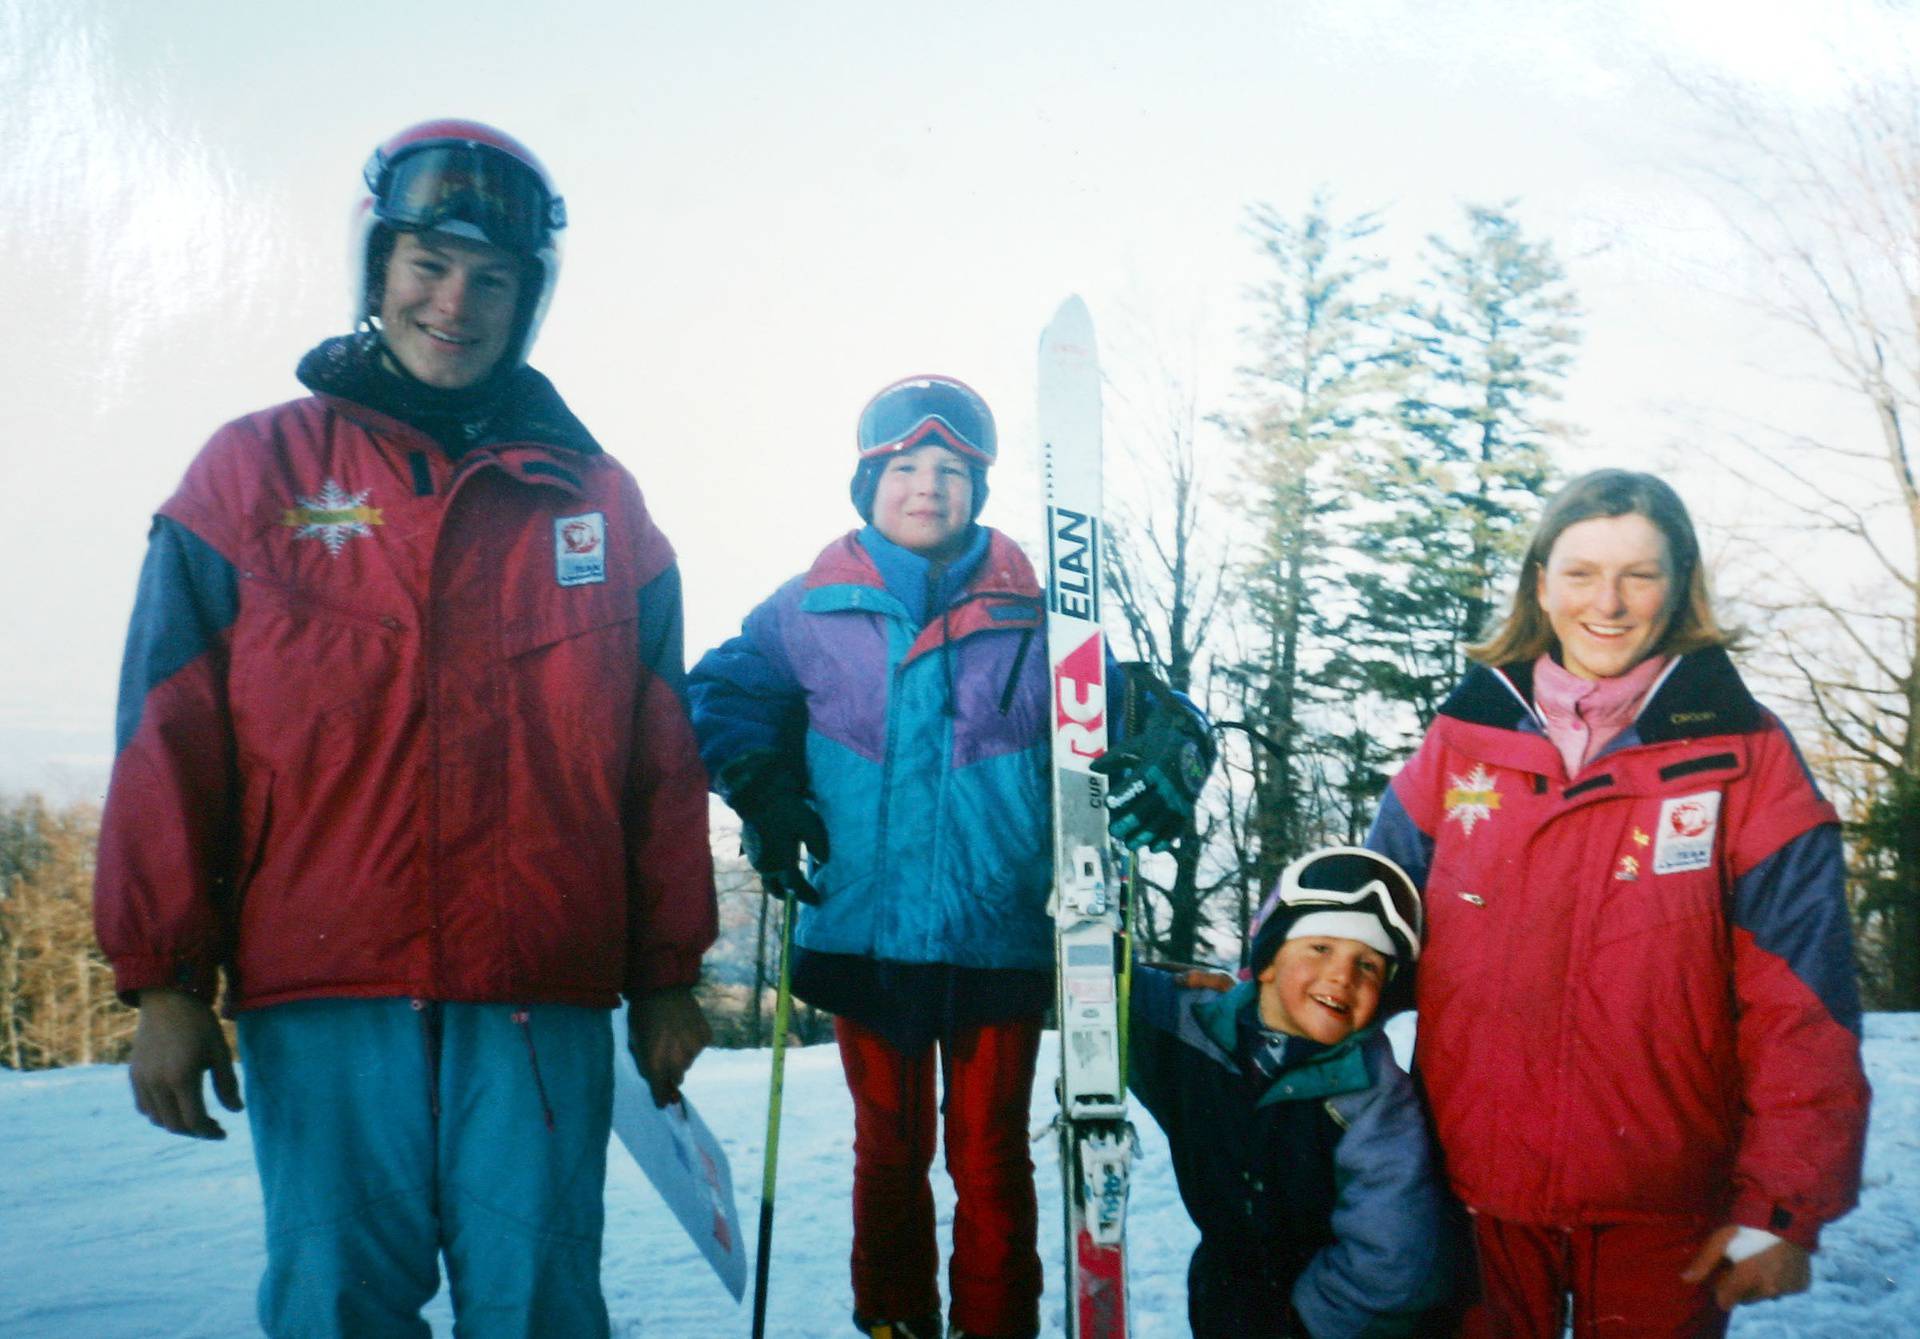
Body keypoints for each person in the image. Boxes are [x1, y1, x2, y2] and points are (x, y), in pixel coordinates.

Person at [92, 119, 717, 1338]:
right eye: (429, 263)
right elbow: (167, 745)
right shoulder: (250, 475)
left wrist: (667, 976)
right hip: (325, 993)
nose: (455, 301)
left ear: (529, 301)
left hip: (536, 997)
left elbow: (659, 765)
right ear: (376, 269)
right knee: (336, 1306)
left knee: (536, 1305)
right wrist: (165, 983)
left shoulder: (603, 506)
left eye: (494, 279)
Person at [687, 374, 1215, 1339]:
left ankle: (994, 1322)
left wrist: (1173, 749)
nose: (927, 486)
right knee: (887, 1150)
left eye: (952, 470)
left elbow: (1136, 714)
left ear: (978, 488)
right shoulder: (809, 606)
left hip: (996, 933)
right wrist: (763, 785)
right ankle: (895, 1320)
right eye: (905, 467)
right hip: (865, 925)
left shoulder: (1043, 613)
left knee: (988, 1155)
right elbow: (722, 692)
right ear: (868, 481)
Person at [1367, 469, 1871, 1337]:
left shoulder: (1745, 754)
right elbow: (1366, 919)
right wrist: (1247, 989)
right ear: (1540, 583)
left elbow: (1806, 1000)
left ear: (1680, 586)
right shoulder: (1466, 739)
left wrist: (1782, 1206)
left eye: (1640, 573)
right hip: (1474, 1196)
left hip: (1666, 1206)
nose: (1609, 600)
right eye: (1581, 571)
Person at [1128, 846, 1452, 1339]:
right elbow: (1100, 985)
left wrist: (1304, 1323)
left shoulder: (1372, 1096)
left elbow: (1393, 1250)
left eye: (1368, 965)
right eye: (1320, 948)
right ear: (1267, 963)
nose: (1343, 975)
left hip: (1331, 1316)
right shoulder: (1197, 1029)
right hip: (1224, 1292)